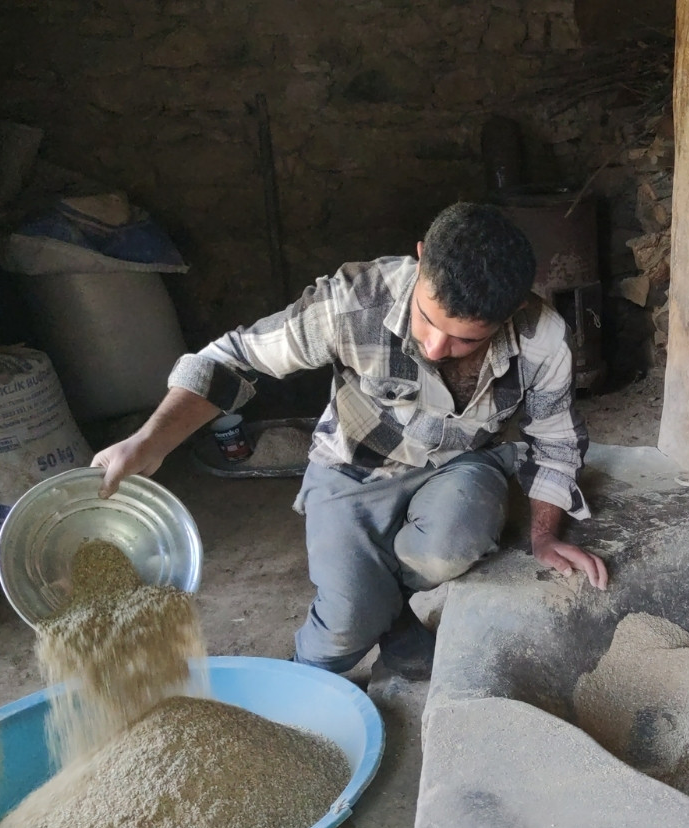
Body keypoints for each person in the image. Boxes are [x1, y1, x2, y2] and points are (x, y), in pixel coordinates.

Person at [92, 202, 608, 676]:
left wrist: (544, 537)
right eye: (427, 320)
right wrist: (150, 442)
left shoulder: (542, 336)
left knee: (454, 544)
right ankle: (360, 636)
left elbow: (556, 439)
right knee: (340, 633)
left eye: (465, 339)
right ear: (421, 256)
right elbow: (229, 359)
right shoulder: (353, 301)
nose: (433, 347)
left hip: (461, 462)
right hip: (353, 468)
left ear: (514, 308)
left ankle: (383, 609)